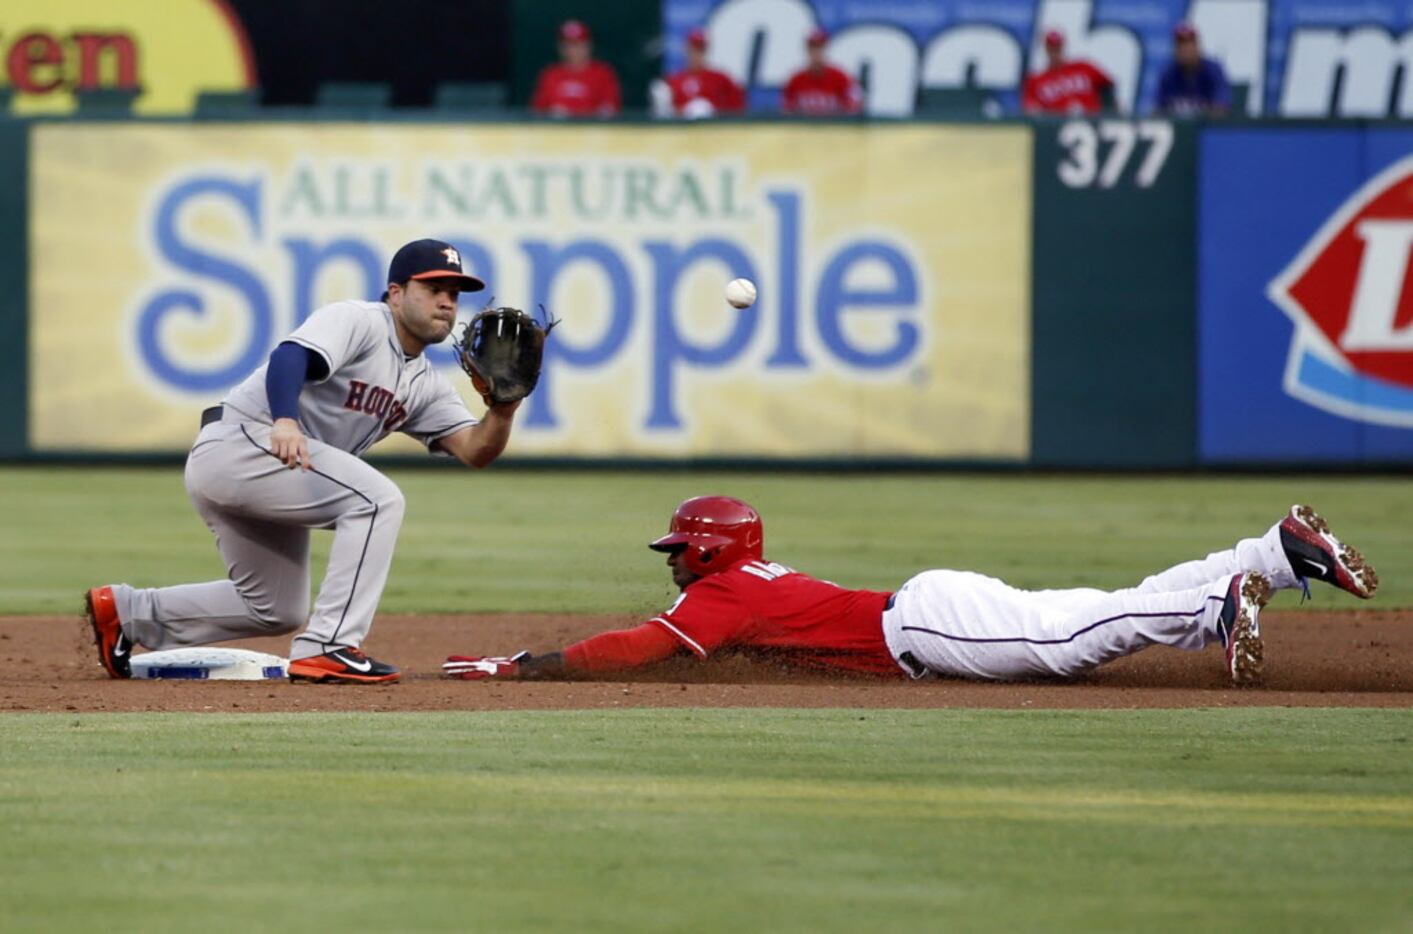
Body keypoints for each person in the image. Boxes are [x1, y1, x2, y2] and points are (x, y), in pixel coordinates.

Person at [87, 239, 524, 684]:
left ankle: (128, 613)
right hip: (243, 443)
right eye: (434, 288)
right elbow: (290, 357)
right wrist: (284, 420)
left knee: (275, 608)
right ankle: (329, 647)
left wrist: (503, 411)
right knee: (376, 502)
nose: (447, 301)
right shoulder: (361, 321)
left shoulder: (426, 384)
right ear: (396, 292)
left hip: (278, 470)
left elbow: (475, 450)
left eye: (454, 292)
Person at [445, 497, 1378, 686]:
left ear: (715, 552)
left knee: (1068, 641)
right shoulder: (749, 578)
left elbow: (642, 645)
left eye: (682, 549)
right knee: (1087, 610)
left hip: (924, 627)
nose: (672, 562)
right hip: (927, 607)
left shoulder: (724, 594)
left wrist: (529, 666)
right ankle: (1265, 555)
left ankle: (1216, 605)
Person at [530, 19, 622, 118]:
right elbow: (536, 112)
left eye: (577, 44)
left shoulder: (603, 73)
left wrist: (584, 115)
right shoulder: (550, 74)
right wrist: (551, 113)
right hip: (557, 131)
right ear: (560, 47)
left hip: (592, 130)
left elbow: (610, 110)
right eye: (567, 45)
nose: (572, 50)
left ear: (588, 46)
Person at [1021, 29, 1116, 115]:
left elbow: (1108, 88)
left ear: (1063, 47)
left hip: (1092, 122)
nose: (1055, 52)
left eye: (1057, 47)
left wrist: (1110, 114)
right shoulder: (1036, 80)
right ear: (1046, 49)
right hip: (1058, 128)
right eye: (1051, 48)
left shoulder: (1083, 67)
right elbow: (1031, 111)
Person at [658, 27, 745, 119]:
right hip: (683, 130)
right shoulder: (673, 81)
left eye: (701, 50)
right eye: (693, 49)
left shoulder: (721, 79)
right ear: (686, 50)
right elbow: (666, 115)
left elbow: (738, 110)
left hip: (715, 130)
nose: (697, 54)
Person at [781, 28, 861, 116]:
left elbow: (853, 108)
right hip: (804, 128)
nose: (816, 52)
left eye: (820, 47)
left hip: (833, 128)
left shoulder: (840, 78)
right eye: (813, 47)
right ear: (807, 50)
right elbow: (787, 112)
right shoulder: (795, 80)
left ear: (826, 49)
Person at [1156, 23, 1230, 117]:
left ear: (1197, 46)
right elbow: (1157, 111)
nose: (1185, 49)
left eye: (1189, 44)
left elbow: (1222, 108)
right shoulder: (1168, 73)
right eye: (1181, 45)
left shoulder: (1213, 70)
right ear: (1175, 49)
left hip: (1206, 129)